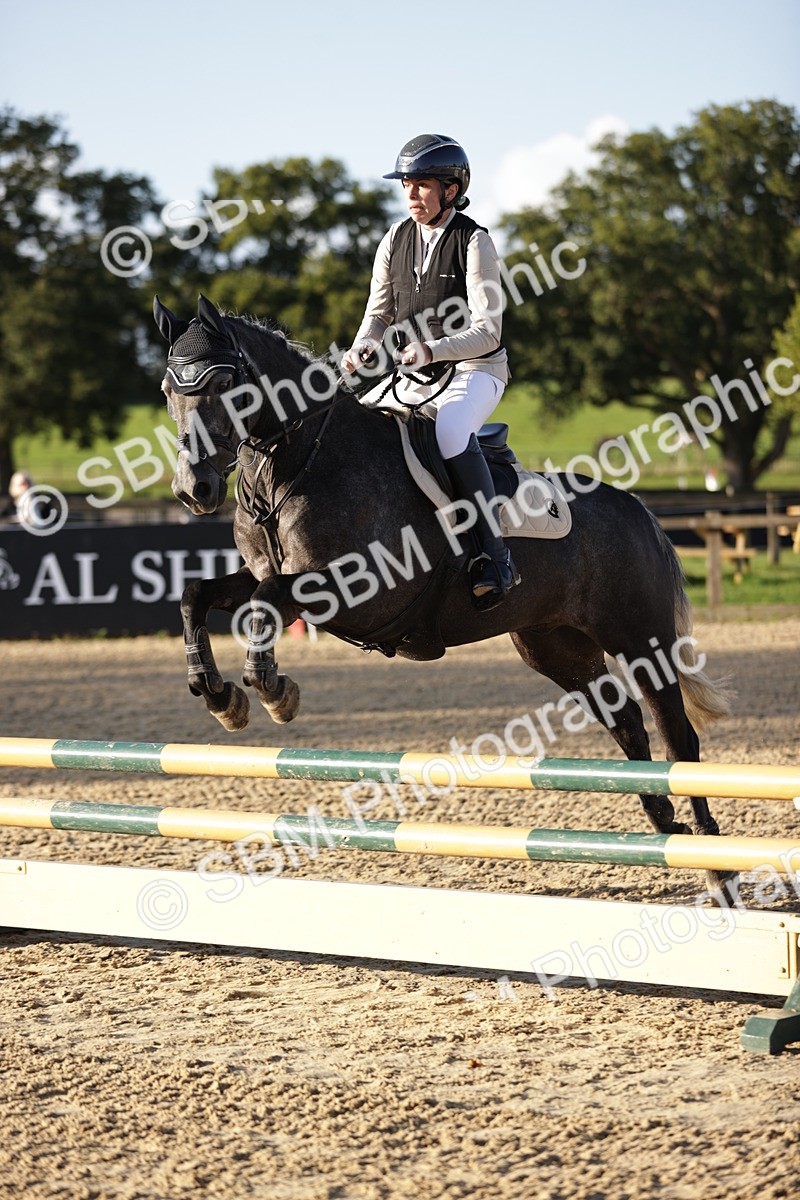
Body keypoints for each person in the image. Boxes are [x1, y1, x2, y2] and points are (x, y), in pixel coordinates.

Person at [341, 134, 519, 612]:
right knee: (353, 426)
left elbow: (488, 330)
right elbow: (378, 314)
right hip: (415, 372)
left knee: (451, 429)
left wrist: (433, 349)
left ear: (452, 187)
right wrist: (362, 347)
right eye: (407, 185)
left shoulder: (474, 241)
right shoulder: (393, 239)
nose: (412, 195)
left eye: (422, 185)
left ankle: (497, 558)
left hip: (476, 369)